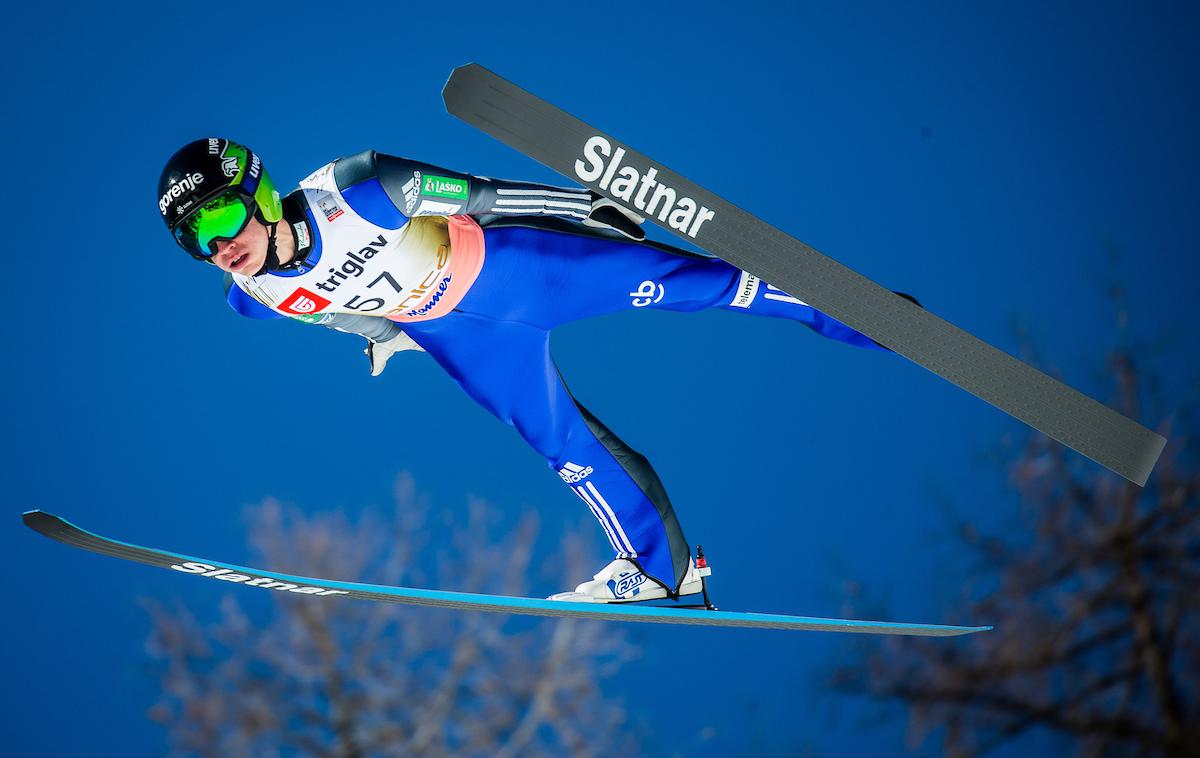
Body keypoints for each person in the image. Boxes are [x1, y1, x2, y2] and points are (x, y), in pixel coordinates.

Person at [157, 137, 901, 603]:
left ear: (257, 193)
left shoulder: (361, 189)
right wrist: (387, 335)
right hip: (463, 341)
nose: (220, 248)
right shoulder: (253, 298)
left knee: (696, 284)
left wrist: (581, 207)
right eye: (199, 242)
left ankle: (863, 319)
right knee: (567, 452)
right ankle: (658, 569)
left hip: (518, 269)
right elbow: (327, 308)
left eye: (222, 221)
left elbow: (481, 195)